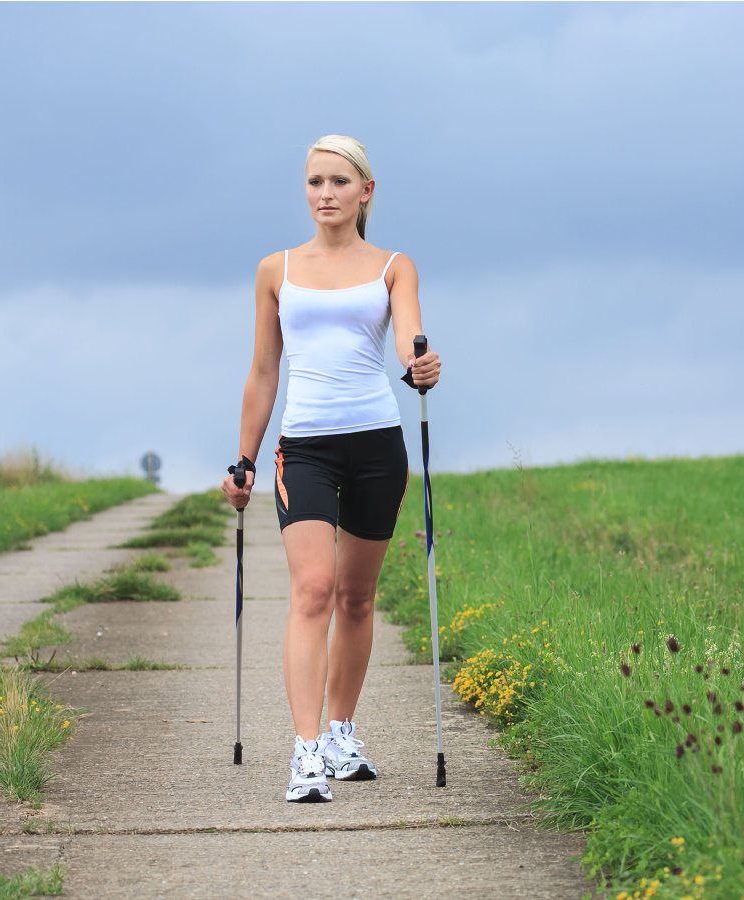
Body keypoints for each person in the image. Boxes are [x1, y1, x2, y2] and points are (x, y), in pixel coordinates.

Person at [221, 135, 441, 803]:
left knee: (356, 596)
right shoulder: (275, 269)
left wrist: (419, 366)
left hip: (377, 444)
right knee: (313, 589)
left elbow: (409, 339)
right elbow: (264, 372)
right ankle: (307, 751)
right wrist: (245, 459)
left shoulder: (394, 266)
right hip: (306, 447)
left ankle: (343, 733)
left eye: (340, 181)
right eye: (316, 181)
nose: (326, 193)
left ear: (365, 191)